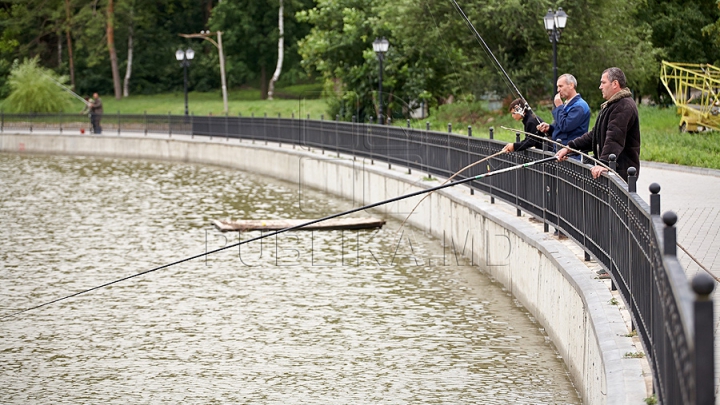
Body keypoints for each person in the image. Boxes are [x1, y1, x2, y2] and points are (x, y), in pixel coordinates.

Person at [556, 67, 640, 181]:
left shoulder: (624, 105)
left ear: (615, 84)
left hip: (621, 173)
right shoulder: (612, 104)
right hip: (612, 171)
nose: (600, 87)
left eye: (603, 82)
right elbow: (594, 135)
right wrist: (570, 147)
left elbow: (614, 137)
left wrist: (604, 163)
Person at [536, 74, 590, 159]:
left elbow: (566, 126)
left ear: (571, 85)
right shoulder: (567, 104)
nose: (558, 90)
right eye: (557, 87)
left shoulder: (579, 106)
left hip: (573, 155)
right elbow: (562, 129)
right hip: (562, 152)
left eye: (561, 86)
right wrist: (550, 128)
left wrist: (559, 107)